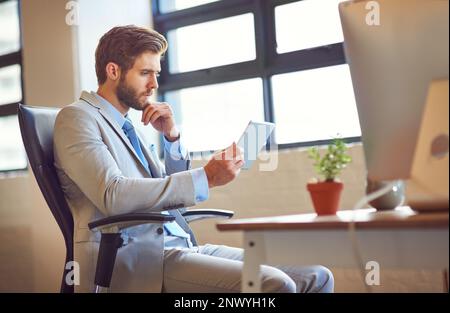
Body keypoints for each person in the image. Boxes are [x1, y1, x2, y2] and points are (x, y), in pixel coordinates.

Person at [53, 25, 334, 293]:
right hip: (140, 259)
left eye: (157, 74)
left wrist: (171, 137)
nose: (154, 84)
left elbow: (161, 186)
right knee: (275, 285)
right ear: (113, 70)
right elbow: (112, 194)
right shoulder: (78, 118)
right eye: (145, 73)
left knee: (316, 277)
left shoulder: (128, 125)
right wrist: (207, 177)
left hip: (181, 245)